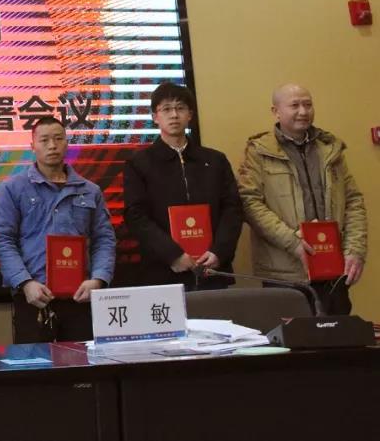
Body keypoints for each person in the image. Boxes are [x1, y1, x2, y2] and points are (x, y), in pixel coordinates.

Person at [238, 84, 368, 315]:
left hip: (333, 270)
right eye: (295, 105)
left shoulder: (331, 149)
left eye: (308, 104)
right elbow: (250, 203)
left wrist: (355, 250)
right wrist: (293, 242)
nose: (303, 111)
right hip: (284, 273)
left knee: (338, 334)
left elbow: (353, 201)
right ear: (276, 111)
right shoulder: (258, 151)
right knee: (293, 336)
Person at [0, 116, 116, 343]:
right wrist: (25, 283)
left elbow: (104, 240)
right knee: (36, 364)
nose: (52, 145)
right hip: (33, 296)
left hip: (81, 296)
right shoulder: (12, 189)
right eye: (44, 140)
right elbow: (3, 241)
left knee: (81, 362)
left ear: (67, 143)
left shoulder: (90, 190)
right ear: (32, 145)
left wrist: (98, 279)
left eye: (58, 139)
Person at [123, 82, 242, 290]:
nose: (174, 115)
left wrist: (219, 252)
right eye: (166, 109)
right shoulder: (139, 163)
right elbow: (136, 215)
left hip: (211, 267)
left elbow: (232, 208)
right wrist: (173, 254)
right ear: (155, 117)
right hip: (163, 270)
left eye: (180, 108)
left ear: (190, 115)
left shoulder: (215, 160)